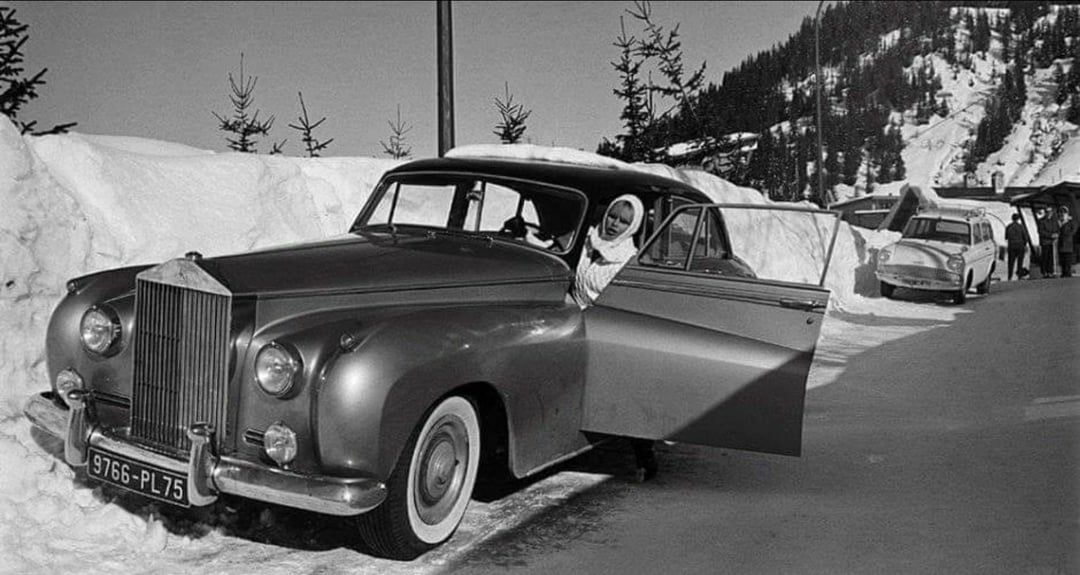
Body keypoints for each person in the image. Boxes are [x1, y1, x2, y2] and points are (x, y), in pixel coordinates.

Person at [568, 194, 658, 482]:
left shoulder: (628, 261)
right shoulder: (585, 242)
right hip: (574, 321)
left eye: (623, 221)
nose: (614, 224)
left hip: (605, 329)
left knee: (625, 394)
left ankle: (645, 457)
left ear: (632, 227)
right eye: (612, 216)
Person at [1035, 206, 1060, 278]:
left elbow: (1058, 229)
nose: (1049, 213)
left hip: (1053, 243)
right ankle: (1044, 272)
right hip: (1045, 242)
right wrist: (1050, 235)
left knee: (1051, 258)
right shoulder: (1041, 221)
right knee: (1045, 257)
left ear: (1052, 213)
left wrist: (1057, 234)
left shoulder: (1054, 221)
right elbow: (1041, 231)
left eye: (1050, 212)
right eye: (1047, 212)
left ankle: (1051, 272)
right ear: (1045, 213)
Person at [1004, 213, 1029, 281]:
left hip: (1011, 246)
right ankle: (1019, 276)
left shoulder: (1008, 226)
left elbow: (1006, 237)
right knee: (1020, 262)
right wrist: (1024, 244)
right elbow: (1025, 237)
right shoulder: (1021, 227)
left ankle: (1010, 276)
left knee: (1011, 263)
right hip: (1020, 246)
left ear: (1012, 218)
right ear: (1018, 219)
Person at [1058, 206, 1076, 278]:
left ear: (1067, 214)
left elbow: (1072, 232)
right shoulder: (1059, 223)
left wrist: (1063, 226)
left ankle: (1068, 273)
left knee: (1067, 260)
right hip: (1061, 245)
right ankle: (1064, 273)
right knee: (1062, 260)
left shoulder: (1070, 223)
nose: (1062, 215)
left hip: (1068, 245)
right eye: (1061, 213)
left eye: (1064, 213)